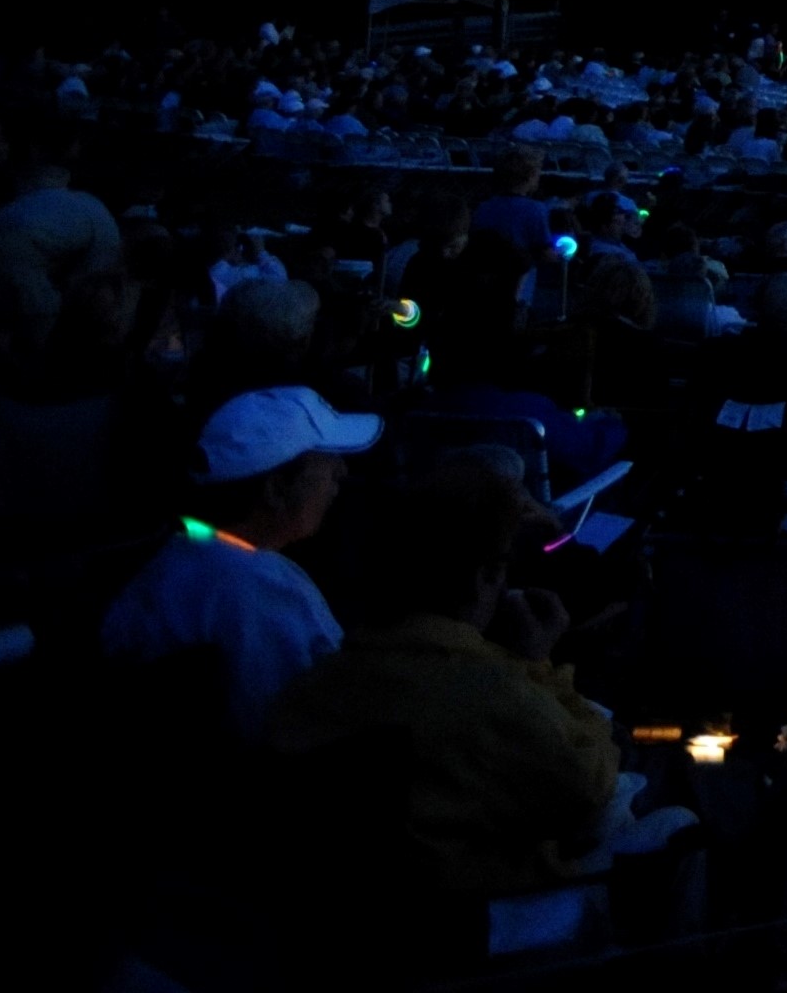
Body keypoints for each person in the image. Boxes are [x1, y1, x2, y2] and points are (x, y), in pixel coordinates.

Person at [267, 464, 619, 900]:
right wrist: (539, 664)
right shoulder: (490, 693)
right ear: (485, 577)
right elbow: (591, 785)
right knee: (669, 825)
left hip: (345, 910)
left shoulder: (323, 680)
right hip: (467, 923)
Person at [100, 384, 376, 735]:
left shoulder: (170, 559)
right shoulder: (266, 588)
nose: (342, 473)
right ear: (276, 489)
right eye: (326, 461)